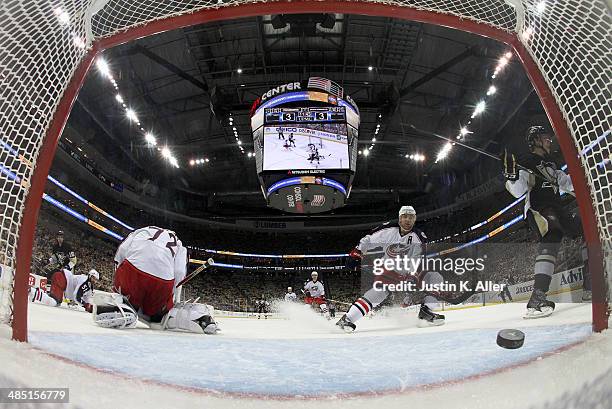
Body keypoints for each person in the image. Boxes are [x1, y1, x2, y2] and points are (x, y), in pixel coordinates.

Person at [502, 126, 591, 318]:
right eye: (545, 138)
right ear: (535, 141)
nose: (549, 141)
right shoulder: (526, 162)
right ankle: (537, 298)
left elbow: (567, 183)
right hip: (538, 208)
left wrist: (590, 183)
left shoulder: (551, 163)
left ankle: (590, 286)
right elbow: (517, 191)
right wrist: (510, 175)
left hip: (557, 208)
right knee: (553, 233)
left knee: (588, 227)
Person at [336, 205, 445, 332]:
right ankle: (347, 319)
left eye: (411, 217)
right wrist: (357, 252)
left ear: (415, 219)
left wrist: (412, 276)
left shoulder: (419, 237)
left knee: (435, 277)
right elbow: (369, 239)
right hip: (389, 270)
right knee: (378, 294)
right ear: (399, 219)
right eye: (405, 217)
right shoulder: (387, 230)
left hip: (408, 271)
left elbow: (419, 260)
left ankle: (427, 312)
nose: (408, 220)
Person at [93, 226, 218, 334]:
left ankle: (122, 306)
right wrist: (170, 298)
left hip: (133, 270)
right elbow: (179, 272)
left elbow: (121, 252)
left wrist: (119, 282)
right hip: (162, 282)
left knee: (128, 297)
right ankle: (174, 317)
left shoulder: (141, 231)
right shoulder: (179, 244)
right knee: (158, 317)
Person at [29, 268, 99, 312]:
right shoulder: (84, 281)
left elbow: (87, 299)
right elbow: (76, 296)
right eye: (93, 278)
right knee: (53, 302)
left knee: (57, 303)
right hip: (61, 279)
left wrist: (90, 307)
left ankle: (36, 293)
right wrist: (85, 305)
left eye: (96, 279)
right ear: (89, 276)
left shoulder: (89, 286)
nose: (94, 280)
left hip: (62, 280)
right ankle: (32, 291)